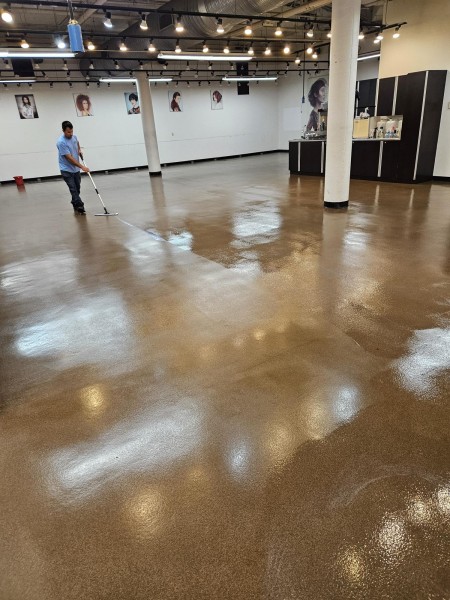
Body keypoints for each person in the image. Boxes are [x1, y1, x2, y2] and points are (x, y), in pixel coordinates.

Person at [56, 120, 90, 215]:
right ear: (63, 130)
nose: (70, 134)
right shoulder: (61, 142)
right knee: (73, 188)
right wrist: (82, 167)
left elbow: (77, 142)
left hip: (75, 170)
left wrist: (79, 150)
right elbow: (69, 158)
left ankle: (74, 201)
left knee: (77, 188)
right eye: (68, 132)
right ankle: (80, 205)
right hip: (66, 169)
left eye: (72, 131)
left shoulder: (74, 137)